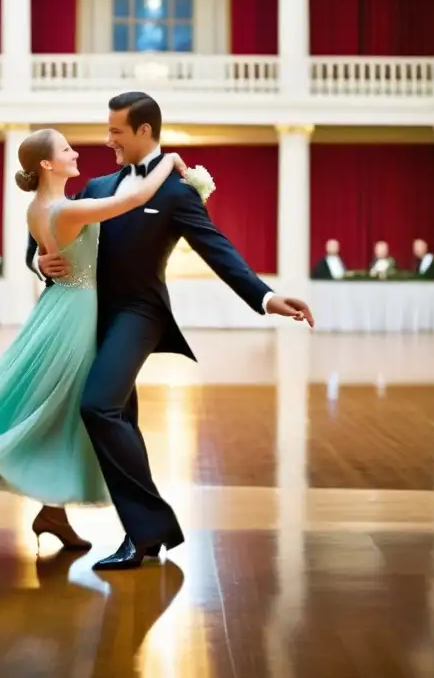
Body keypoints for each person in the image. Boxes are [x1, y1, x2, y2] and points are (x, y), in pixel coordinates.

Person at [28, 91, 313, 570]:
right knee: (121, 420)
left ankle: (147, 531)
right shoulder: (97, 187)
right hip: (91, 318)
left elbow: (216, 248)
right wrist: (38, 260)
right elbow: (49, 222)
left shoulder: (179, 193)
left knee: (98, 407)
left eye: (116, 131)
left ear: (144, 132)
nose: (107, 140)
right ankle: (145, 534)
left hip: (140, 315)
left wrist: (265, 297)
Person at [0, 128, 187, 551]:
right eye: (66, 149)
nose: (75, 153)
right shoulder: (64, 209)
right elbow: (132, 200)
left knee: (58, 412)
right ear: (46, 164)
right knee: (35, 412)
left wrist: (43, 260)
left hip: (61, 310)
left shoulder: (43, 207)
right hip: (73, 318)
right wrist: (170, 162)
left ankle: (52, 514)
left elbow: (59, 244)